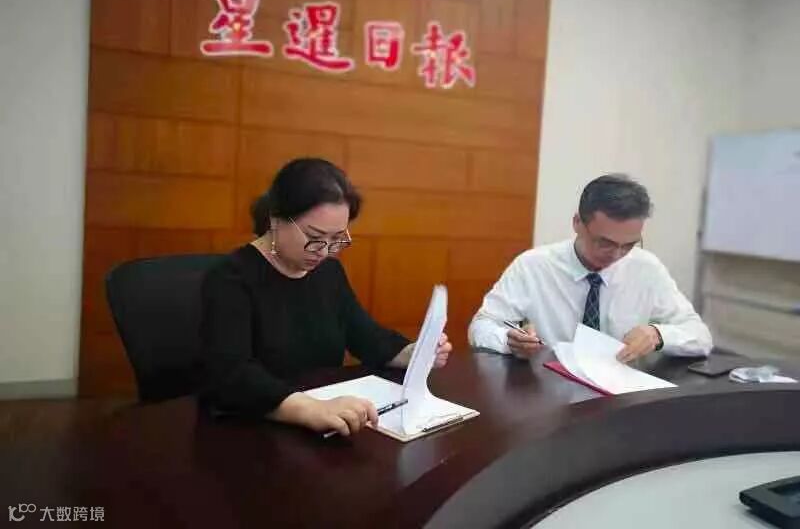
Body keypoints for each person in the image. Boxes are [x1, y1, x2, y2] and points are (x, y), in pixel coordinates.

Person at [199, 158, 452, 437]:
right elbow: (232, 374)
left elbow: (365, 336)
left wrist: (413, 354)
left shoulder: (328, 272)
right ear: (276, 218)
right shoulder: (230, 278)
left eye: (336, 239)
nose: (324, 251)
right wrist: (309, 409)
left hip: (321, 431)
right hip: (248, 433)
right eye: (315, 236)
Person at [469, 174, 712, 362]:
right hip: (551, 393)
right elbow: (481, 326)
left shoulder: (646, 268)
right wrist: (508, 341)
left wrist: (658, 335)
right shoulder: (533, 266)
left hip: (623, 396)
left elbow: (700, 336)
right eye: (605, 243)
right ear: (577, 223)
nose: (616, 255)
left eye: (629, 245)